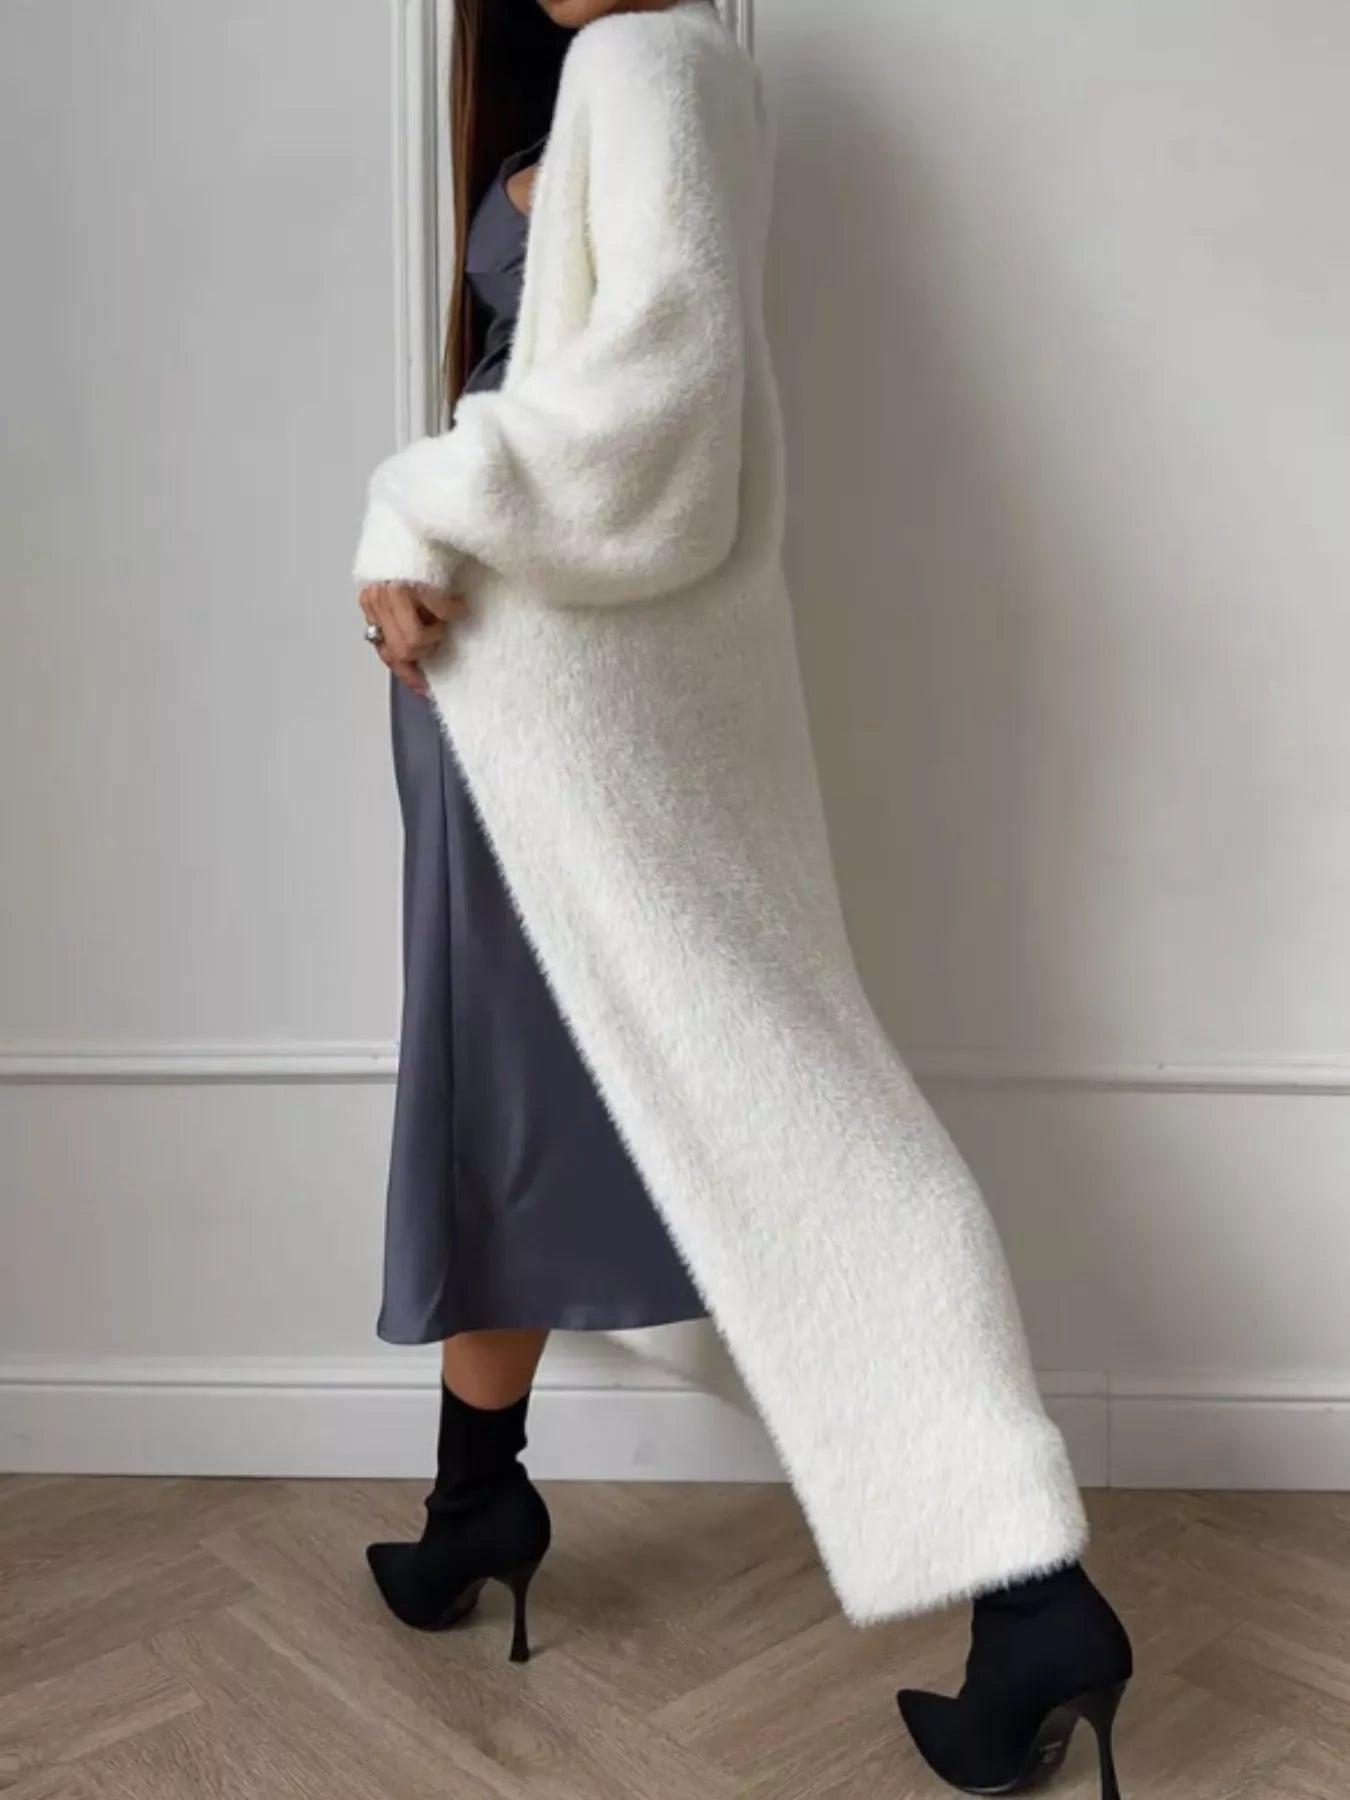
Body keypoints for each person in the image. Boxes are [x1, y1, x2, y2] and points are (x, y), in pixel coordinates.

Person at [352, 2, 1134, 1794]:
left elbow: (664, 400)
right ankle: (476, 1506)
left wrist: (415, 499)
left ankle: (1032, 1593)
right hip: (505, 682)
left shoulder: (656, 64)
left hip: (570, 690)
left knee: (786, 1101)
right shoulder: (585, 90)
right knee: (508, 1095)